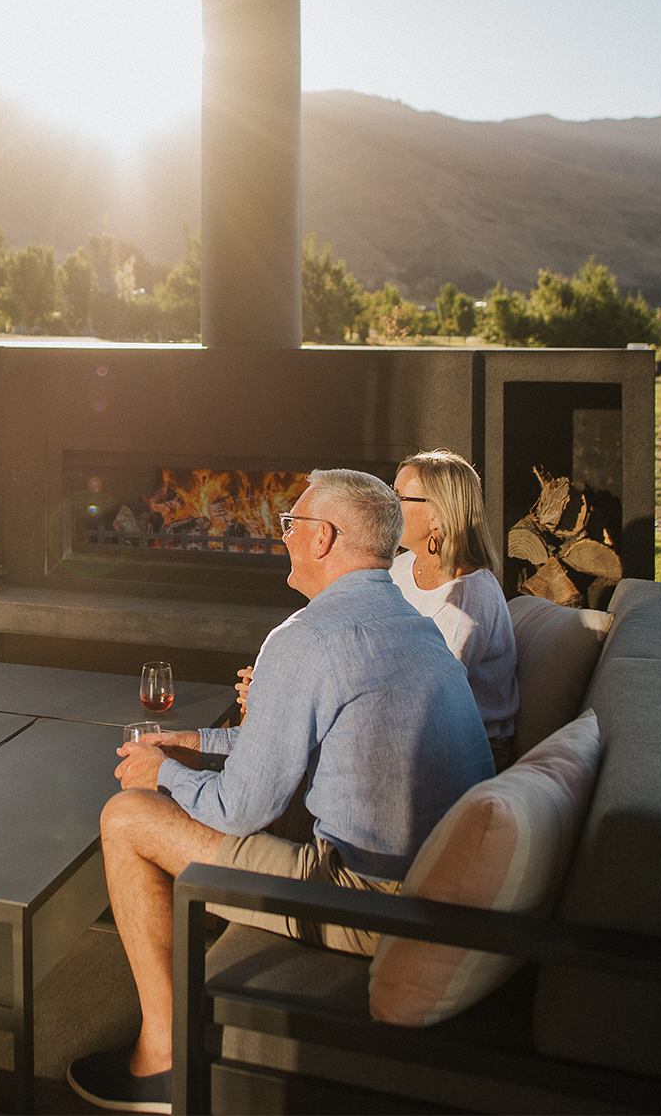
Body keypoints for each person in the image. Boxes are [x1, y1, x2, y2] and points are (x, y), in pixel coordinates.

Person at [66, 469, 492, 1114]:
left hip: (370, 904)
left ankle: (164, 1063)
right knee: (174, 790)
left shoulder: (307, 637)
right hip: (426, 883)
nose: (283, 536)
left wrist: (163, 776)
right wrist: (193, 745)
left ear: (323, 539)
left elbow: (241, 810)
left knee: (128, 817)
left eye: (290, 525)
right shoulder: (410, 624)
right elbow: (299, 741)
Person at [391, 449, 519, 772]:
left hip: (465, 749)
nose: (387, 506)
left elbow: (429, 697)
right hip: (413, 725)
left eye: (398, 498)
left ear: (437, 515)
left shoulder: (468, 600)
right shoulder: (401, 567)